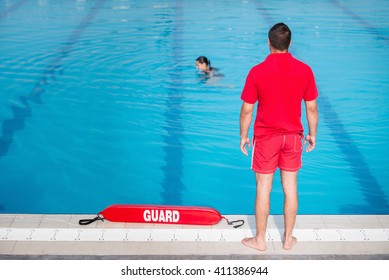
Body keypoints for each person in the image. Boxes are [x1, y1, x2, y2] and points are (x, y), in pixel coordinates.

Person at [239, 23, 319, 251]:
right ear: (290, 43)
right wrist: (313, 134)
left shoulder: (257, 71)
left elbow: (247, 109)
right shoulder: (304, 70)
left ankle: (260, 240)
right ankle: (288, 239)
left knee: (263, 187)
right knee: (290, 187)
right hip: (293, 137)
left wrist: (243, 135)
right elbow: (311, 108)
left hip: (266, 138)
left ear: (268, 42)